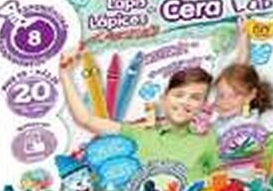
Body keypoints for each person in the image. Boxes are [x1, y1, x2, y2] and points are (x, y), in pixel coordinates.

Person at [59, 51, 221, 183]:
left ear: (203, 105)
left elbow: (219, 176)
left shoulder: (208, 137)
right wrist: (65, 74)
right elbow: (85, 120)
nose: (185, 101)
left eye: (195, 97)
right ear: (163, 99)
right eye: (179, 95)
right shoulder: (139, 133)